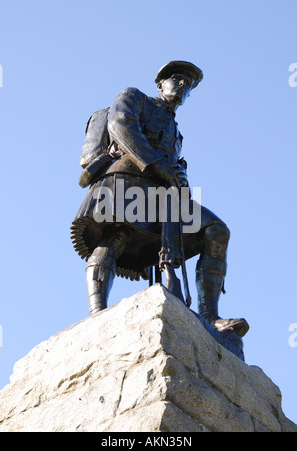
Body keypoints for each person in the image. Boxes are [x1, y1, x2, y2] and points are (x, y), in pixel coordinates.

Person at [71, 61, 249, 337]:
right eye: (177, 79)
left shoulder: (177, 133)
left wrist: (178, 177)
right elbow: (120, 125)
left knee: (216, 230)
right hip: (127, 180)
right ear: (160, 84)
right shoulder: (135, 97)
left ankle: (210, 315)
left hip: (165, 197)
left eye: (187, 85)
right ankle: (98, 313)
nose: (182, 86)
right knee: (118, 236)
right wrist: (158, 165)